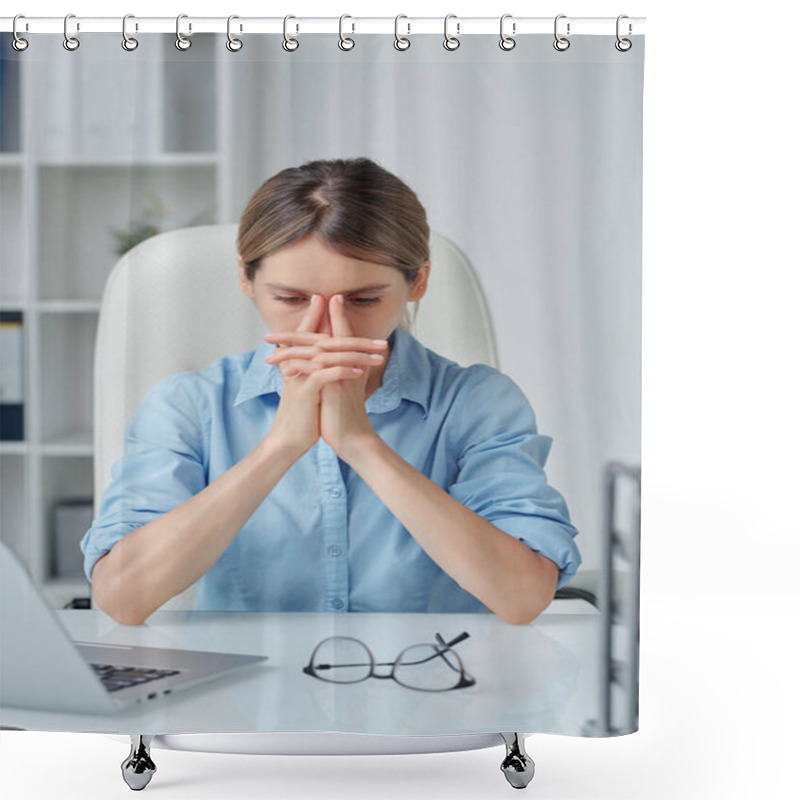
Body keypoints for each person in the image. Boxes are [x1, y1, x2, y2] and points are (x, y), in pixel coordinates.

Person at [81, 157, 581, 627]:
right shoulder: (189, 405)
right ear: (246, 280)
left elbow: (522, 599)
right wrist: (281, 445)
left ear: (418, 281)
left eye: (363, 300)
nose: (323, 327)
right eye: (290, 299)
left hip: (433, 696)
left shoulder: (478, 402)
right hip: (242, 703)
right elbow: (123, 598)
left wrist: (361, 445)